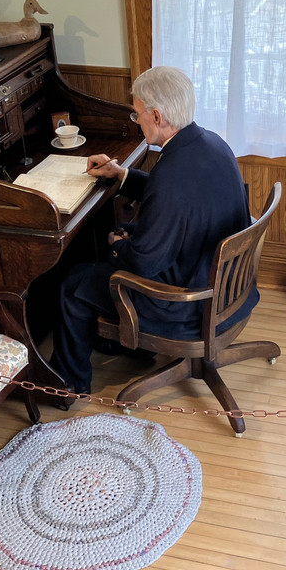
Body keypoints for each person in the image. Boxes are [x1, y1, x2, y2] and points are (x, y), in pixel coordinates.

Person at [48, 66, 256, 397]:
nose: (137, 120)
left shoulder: (171, 175)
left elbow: (144, 264)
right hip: (225, 283)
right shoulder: (211, 143)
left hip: (188, 304)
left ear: (156, 115)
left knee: (74, 283)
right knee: (124, 233)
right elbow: (181, 200)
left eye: (137, 114)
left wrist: (116, 246)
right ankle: (124, 346)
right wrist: (121, 174)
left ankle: (66, 385)